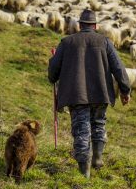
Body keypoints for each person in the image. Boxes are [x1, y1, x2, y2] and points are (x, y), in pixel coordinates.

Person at [48, 9, 131, 178]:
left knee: (81, 131)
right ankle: (98, 158)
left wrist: (53, 71)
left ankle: (84, 171)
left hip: (76, 94)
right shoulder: (105, 42)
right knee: (99, 123)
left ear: (80, 25)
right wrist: (125, 90)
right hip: (101, 93)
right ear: (95, 25)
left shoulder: (67, 42)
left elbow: (53, 72)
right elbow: (119, 67)